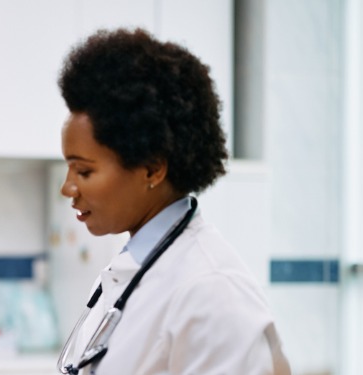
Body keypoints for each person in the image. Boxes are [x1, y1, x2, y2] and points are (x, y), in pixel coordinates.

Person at [55, 28, 290, 374]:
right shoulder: (129, 273)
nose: (67, 188)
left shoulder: (212, 292)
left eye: (84, 172)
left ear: (152, 169)